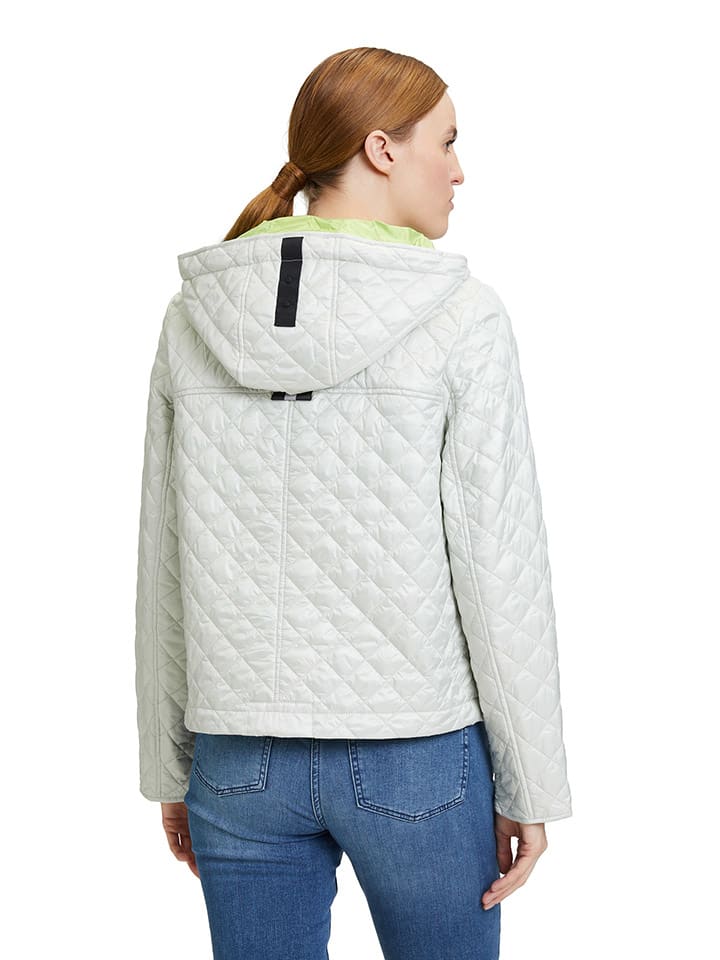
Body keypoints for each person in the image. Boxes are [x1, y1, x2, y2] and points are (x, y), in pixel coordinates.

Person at [134, 46, 572, 960]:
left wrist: (169, 764)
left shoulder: (194, 315)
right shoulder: (462, 318)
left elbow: (162, 558)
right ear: (381, 149)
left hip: (236, 757)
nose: (459, 169)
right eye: (445, 142)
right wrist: (532, 787)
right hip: (416, 756)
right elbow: (501, 571)